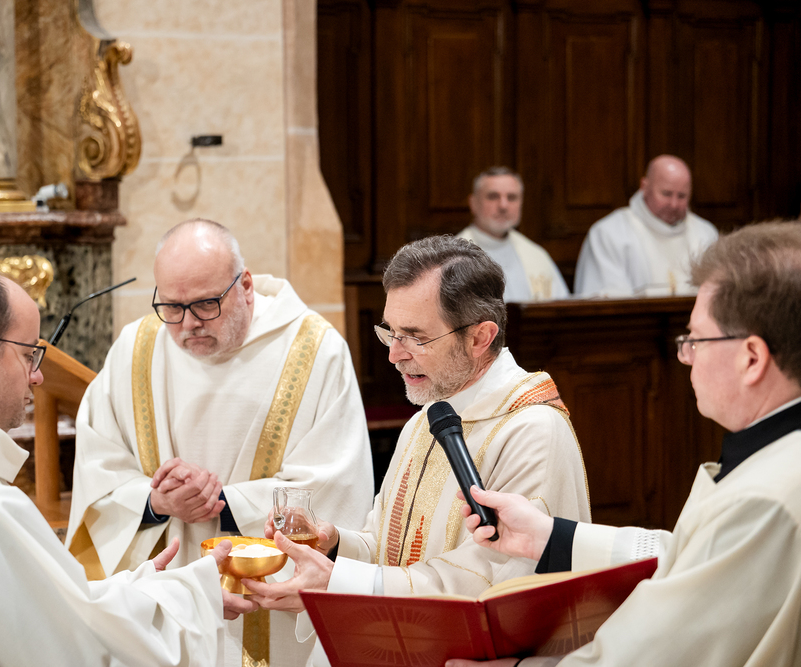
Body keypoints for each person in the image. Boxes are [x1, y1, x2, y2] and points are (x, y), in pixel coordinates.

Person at [0, 263, 255, 667]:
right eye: (29, 354)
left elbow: (41, 616)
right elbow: (81, 653)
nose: (37, 376)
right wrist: (188, 597)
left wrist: (137, 589)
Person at [451, 222, 801, 667]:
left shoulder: (762, 500)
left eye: (696, 340)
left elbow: (658, 655)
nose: (686, 356)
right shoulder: (777, 459)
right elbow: (686, 558)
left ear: (751, 358)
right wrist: (548, 536)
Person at [243, 235, 590, 664]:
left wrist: (339, 581)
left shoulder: (533, 431)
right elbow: (388, 548)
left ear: (480, 337)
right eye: (390, 331)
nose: (393, 355)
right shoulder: (428, 418)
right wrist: (334, 546)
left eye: (414, 337)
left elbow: (492, 583)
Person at [66, 219, 374, 667]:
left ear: (245, 285)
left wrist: (220, 502)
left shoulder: (315, 350)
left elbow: (332, 482)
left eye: (206, 304)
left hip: (270, 611)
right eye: (172, 307)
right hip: (166, 597)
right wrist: (155, 502)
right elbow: (99, 468)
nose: (189, 323)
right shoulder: (135, 348)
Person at [574, 155, 719, 297]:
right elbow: (604, 301)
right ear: (644, 186)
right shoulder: (609, 233)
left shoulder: (705, 233)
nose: (674, 204)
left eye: (682, 196)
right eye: (666, 194)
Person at [457, 167, 569, 301]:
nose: (503, 205)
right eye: (493, 196)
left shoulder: (536, 255)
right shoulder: (456, 257)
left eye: (511, 197)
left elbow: (560, 306)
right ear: (473, 203)